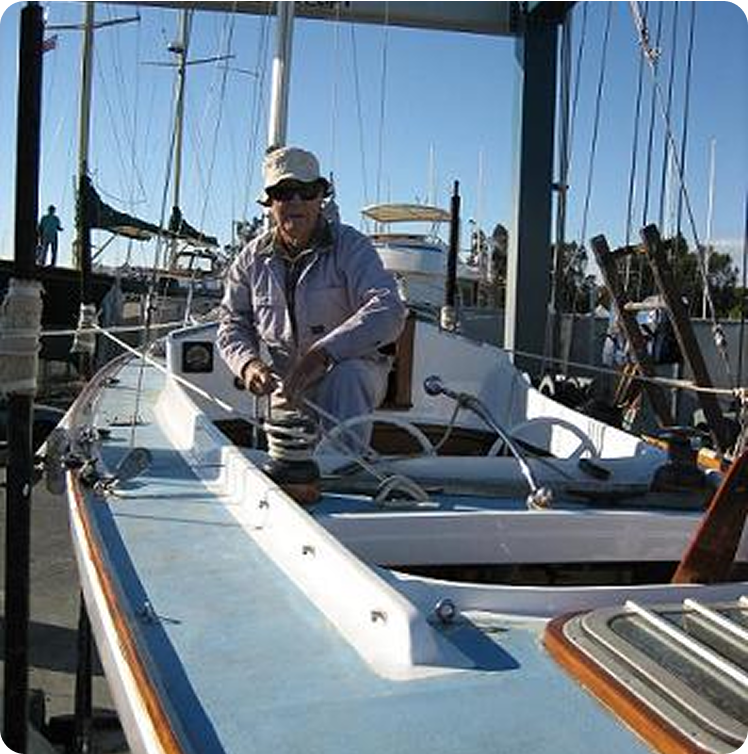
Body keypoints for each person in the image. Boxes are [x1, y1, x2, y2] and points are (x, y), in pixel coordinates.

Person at [217, 145, 407, 448]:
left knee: (349, 376)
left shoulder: (351, 246)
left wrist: (323, 354)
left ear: (321, 198)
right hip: (286, 385)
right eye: (284, 192)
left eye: (306, 191)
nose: (295, 201)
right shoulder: (250, 259)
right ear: (269, 202)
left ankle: (342, 469)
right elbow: (232, 322)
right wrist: (249, 364)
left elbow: (389, 308)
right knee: (284, 461)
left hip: (351, 376)